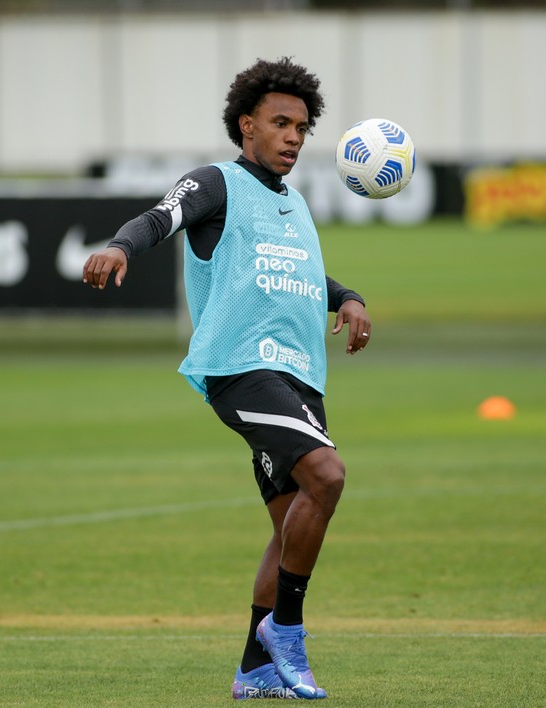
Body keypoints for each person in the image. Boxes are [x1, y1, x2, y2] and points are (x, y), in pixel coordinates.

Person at [82, 57, 371, 700]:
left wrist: (346, 296)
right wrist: (120, 247)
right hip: (242, 367)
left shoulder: (293, 203)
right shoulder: (216, 183)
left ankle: (255, 669)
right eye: (280, 123)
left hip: (299, 377)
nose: (294, 137)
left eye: (301, 127)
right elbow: (158, 218)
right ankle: (287, 631)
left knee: (291, 522)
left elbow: (295, 275)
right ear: (247, 126)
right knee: (327, 475)